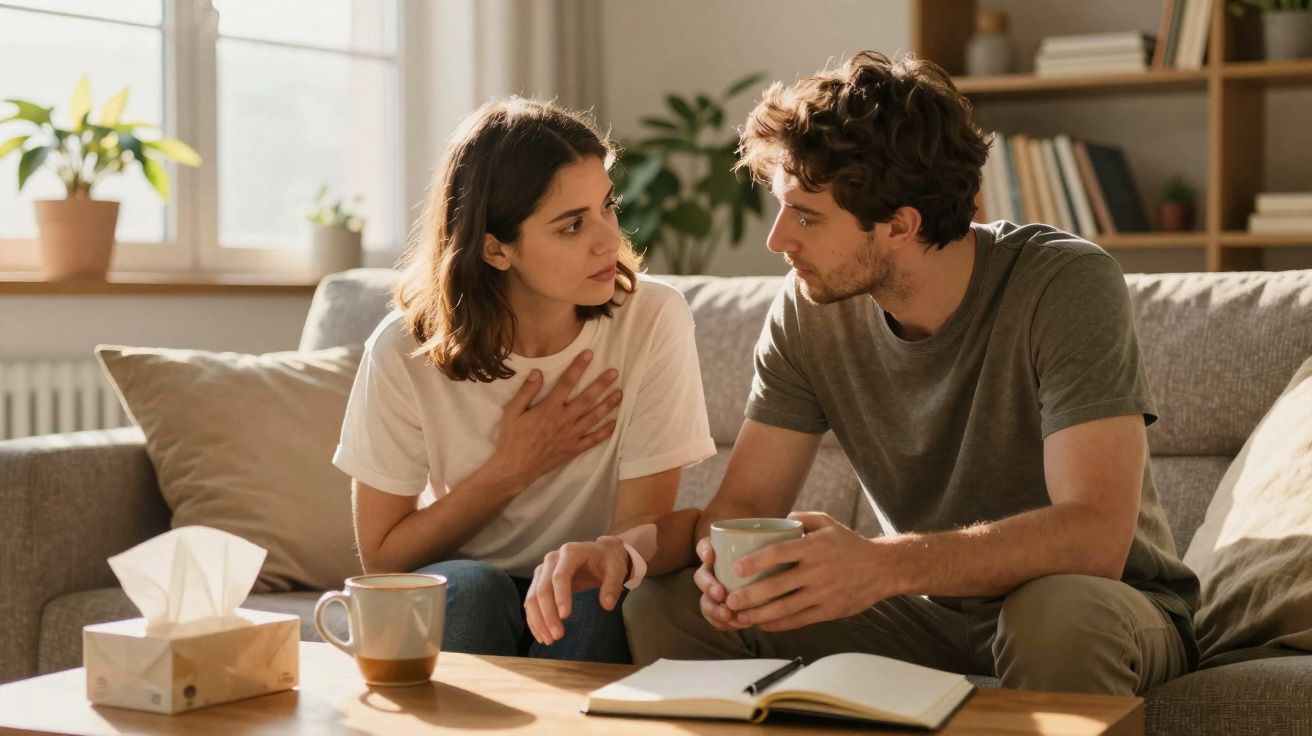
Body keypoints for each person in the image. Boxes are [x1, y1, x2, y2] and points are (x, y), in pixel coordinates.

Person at [621, 51, 1200, 695]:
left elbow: (1094, 535)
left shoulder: (1064, 283)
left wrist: (879, 566)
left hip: (1098, 602)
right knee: (665, 604)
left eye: (807, 215)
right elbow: (749, 507)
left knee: (1054, 617)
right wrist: (711, 571)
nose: (778, 240)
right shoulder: (809, 308)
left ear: (901, 224)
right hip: (923, 611)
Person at [332, 97, 716, 664]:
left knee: (591, 600)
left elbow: (642, 529)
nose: (609, 240)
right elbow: (384, 561)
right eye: (572, 225)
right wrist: (512, 469)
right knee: (472, 590)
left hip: (583, 585)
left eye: (607, 207)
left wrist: (596, 558)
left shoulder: (653, 318)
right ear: (495, 248)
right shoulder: (403, 349)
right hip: (464, 585)